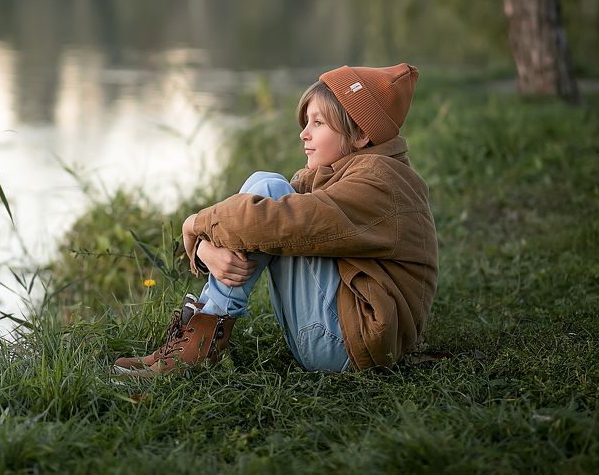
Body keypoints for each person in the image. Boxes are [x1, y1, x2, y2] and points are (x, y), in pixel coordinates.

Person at [113, 63, 438, 375]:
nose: (304, 134)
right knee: (267, 190)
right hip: (350, 338)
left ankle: (201, 342)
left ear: (361, 135)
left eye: (318, 123)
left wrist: (194, 223)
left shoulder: (378, 183)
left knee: (268, 193)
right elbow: (259, 222)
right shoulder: (352, 172)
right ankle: (200, 334)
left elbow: (272, 221)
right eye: (306, 122)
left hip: (350, 346)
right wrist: (205, 249)